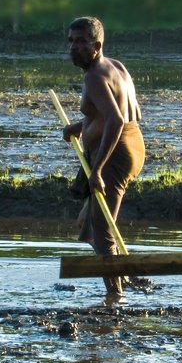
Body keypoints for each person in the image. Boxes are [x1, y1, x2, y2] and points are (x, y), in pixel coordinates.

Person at [61, 16, 145, 299]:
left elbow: (116, 120)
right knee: (92, 221)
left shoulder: (94, 77)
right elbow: (124, 112)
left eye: (81, 42)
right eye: (71, 41)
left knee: (101, 230)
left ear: (96, 45)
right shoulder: (115, 66)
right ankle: (121, 277)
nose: (73, 47)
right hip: (133, 145)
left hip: (115, 152)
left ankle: (115, 297)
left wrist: (97, 170)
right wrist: (80, 126)